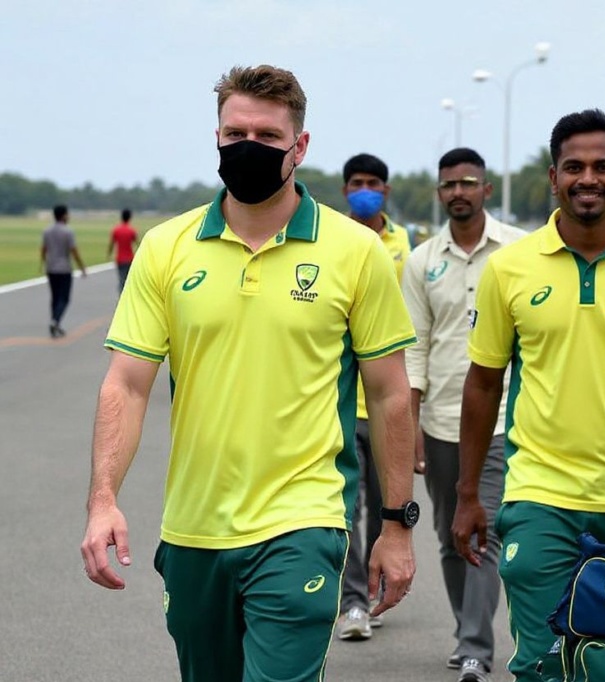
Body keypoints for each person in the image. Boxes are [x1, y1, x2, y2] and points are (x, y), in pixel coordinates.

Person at [80, 64, 419, 682]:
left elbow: (392, 396)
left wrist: (396, 525)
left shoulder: (354, 251)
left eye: (267, 136)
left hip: (304, 520)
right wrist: (103, 500)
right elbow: (126, 384)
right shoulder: (167, 247)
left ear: (301, 146)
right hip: (194, 529)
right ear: (216, 136)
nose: (248, 147)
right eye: (235, 133)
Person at [452, 109, 605, 681]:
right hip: (541, 495)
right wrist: (468, 494)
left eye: (602, 167)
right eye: (574, 167)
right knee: (543, 664)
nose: (588, 178)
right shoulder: (509, 269)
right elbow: (483, 383)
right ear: (553, 177)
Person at [402, 147, 526, 682]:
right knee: (450, 534)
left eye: (468, 182)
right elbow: (413, 351)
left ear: (487, 190)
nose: (459, 191)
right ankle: (465, 630)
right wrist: (408, 429)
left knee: (486, 530)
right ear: (440, 192)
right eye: (449, 184)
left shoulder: (519, 252)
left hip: (500, 423)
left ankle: (477, 647)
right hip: (439, 422)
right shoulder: (421, 261)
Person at [336, 152, 415, 641]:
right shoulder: (334, 242)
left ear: (385, 190)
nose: (364, 189)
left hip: (388, 404)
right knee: (347, 509)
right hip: (343, 405)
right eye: (356, 182)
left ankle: (377, 588)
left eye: (373, 182)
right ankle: (352, 605)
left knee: (385, 509)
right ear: (346, 190)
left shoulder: (408, 246)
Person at [40, 204, 87, 337]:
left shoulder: (47, 231)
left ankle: (55, 322)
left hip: (51, 267)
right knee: (64, 298)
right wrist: (82, 266)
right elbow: (74, 251)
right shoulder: (68, 231)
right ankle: (55, 321)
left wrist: (43, 262)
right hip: (64, 268)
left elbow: (43, 249)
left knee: (54, 297)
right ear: (64, 215)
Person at [107, 208, 138, 292]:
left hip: (120, 259)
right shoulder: (132, 230)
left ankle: (121, 296)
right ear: (129, 217)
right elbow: (137, 244)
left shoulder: (116, 230)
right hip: (130, 258)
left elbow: (111, 244)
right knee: (129, 280)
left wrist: (109, 254)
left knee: (121, 279)